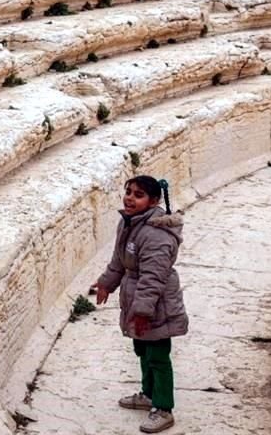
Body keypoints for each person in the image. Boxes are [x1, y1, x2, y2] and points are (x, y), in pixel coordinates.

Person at [94, 176, 188, 433]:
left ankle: (164, 407)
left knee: (157, 354)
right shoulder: (128, 223)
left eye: (138, 195)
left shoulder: (157, 235)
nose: (129, 198)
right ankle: (148, 395)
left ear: (154, 201)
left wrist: (143, 312)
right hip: (135, 298)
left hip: (156, 305)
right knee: (142, 350)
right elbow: (119, 261)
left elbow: (153, 278)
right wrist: (106, 283)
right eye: (128, 192)